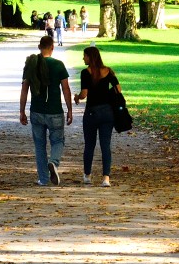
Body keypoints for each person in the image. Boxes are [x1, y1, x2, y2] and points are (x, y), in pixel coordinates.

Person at [19, 33, 73, 186]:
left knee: (39, 145)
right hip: (55, 110)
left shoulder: (31, 65)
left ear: (39, 47)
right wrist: (69, 109)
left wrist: (22, 111)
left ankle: (43, 178)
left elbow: (24, 90)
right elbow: (66, 88)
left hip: (36, 110)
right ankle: (54, 162)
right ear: (52, 47)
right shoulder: (58, 65)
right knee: (58, 140)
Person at [75, 45, 123, 186]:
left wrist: (77, 97)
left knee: (89, 145)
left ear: (91, 57)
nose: (83, 58)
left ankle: (87, 175)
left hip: (91, 112)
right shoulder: (108, 71)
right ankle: (106, 178)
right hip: (107, 112)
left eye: (85, 55)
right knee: (105, 145)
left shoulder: (86, 72)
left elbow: (84, 94)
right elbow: (118, 89)